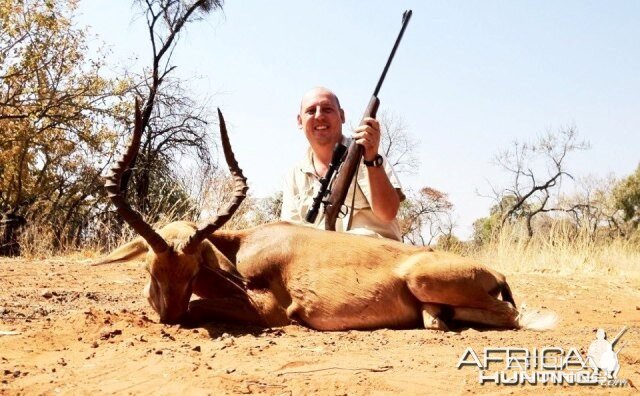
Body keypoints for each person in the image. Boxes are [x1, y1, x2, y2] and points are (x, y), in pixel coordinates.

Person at [280, 87, 405, 240]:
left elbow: (388, 212)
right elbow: (290, 236)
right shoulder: (294, 175)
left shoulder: (367, 154)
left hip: (374, 255)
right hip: (321, 258)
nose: (319, 116)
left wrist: (372, 159)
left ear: (342, 115)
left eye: (327, 109)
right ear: (299, 121)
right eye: (311, 111)